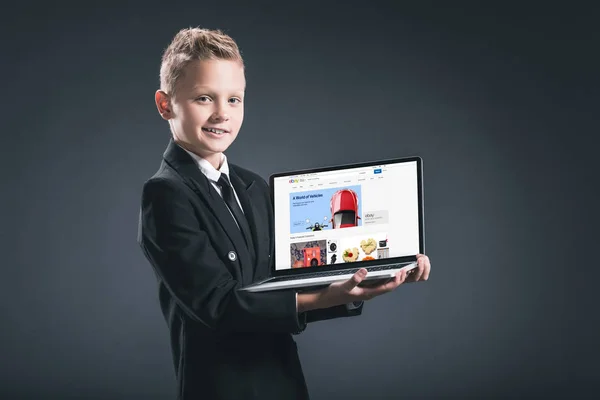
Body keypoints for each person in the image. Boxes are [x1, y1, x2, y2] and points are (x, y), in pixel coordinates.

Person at [137, 27, 431, 400]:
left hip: (282, 381)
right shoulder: (165, 194)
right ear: (166, 105)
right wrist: (326, 296)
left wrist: (360, 286)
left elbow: (282, 287)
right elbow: (218, 306)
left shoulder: (254, 187)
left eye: (234, 100)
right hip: (221, 387)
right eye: (203, 98)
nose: (221, 113)